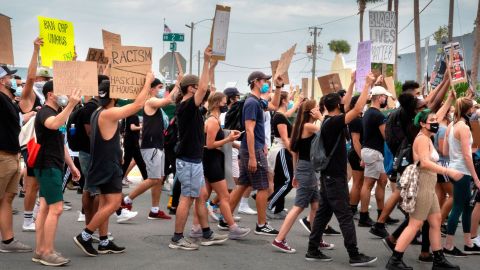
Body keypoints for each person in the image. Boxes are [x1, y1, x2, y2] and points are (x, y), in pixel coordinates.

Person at [73, 72, 154, 256]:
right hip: (107, 165)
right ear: (114, 95)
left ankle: (103, 241)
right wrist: (147, 81)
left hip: (101, 163)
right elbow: (138, 105)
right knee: (115, 202)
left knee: (104, 203)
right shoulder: (109, 113)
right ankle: (85, 236)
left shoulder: (97, 112)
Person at [305, 72, 377, 266]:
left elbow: (346, 105)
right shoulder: (334, 123)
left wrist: (353, 82)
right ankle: (354, 254)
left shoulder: (330, 121)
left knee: (323, 213)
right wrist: (367, 85)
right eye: (341, 101)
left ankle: (312, 249)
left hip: (329, 176)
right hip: (334, 177)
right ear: (337, 105)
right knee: (345, 215)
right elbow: (357, 108)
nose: (344, 102)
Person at [386, 109, 461, 270]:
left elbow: (439, 115)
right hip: (423, 184)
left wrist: (448, 92)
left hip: (429, 185)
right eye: (431, 120)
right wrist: (448, 171)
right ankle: (395, 260)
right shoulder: (422, 139)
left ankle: (438, 260)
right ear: (422, 124)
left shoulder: (427, 136)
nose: (435, 122)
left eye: (436, 120)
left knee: (435, 221)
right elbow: (425, 162)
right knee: (415, 224)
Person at [169, 47, 228, 251]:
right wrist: (204, 61)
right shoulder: (186, 106)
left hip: (193, 159)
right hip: (188, 160)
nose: (200, 91)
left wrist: (211, 67)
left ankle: (206, 233)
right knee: (188, 197)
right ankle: (177, 238)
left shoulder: (192, 107)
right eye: (196, 88)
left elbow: (209, 90)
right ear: (191, 89)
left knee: (201, 195)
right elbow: (204, 90)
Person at [228, 71, 283, 236]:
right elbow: (250, 131)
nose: (267, 83)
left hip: (254, 147)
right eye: (265, 80)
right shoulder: (252, 103)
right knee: (263, 186)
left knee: (243, 184)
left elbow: (274, 105)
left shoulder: (258, 101)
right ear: (256, 82)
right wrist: (253, 156)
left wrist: (279, 87)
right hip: (253, 149)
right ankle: (262, 224)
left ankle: (226, 217)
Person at [33, 82, 81, 266]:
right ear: (50, 94)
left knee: (45, 207)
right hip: (47, 165)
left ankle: (40, 250)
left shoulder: (55, 112)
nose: (66, 95)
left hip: (53, 165)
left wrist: (72, 166)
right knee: (56, 208)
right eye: (61, 91)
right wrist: (70, 105)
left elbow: (61, 143)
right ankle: (47, 251)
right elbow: (53, 125)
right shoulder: (46, 112)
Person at [272, 100, 330, 253]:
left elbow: (295, 153)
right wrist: (322, 116)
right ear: (310, 112)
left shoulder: (299, 127)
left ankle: (317, 238)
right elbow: (328, 130)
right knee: (298, 207)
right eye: (316, 107)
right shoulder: (308, 126)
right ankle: (279, 239)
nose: (318, 109)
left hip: (305, 169)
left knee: (316, 206)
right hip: (308, 169)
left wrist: (296, 173)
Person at [194, 92, 251, 239]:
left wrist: (228, 134)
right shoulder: (212, 121)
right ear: (218, 102)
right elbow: (210, 144)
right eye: (225, 102)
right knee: (224, 196)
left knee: (203, 196)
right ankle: (233, 228)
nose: (227, 104)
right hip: (212, 159)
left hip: (211, 159)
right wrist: (228, 139)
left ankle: (196, 227)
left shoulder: (213, 119)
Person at [121, 77, 179, 220]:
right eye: (159, 87)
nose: (162, 90)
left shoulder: (154, 103)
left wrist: (177, 85)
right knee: (153, 179)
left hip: (157, 145)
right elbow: (166, 101)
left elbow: (169, 100)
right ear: (151, 88)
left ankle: (154, 210)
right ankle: (126, 201)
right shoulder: (151, 101)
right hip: (151, 146)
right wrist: (177, 84)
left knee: (158, 179)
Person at [0, 63, 35, 253]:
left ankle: (8, 241)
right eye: (8, 77)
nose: (11, 79)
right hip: (3, 156)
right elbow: (29, 81)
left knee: (7, 198)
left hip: (12, 156)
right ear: (2, 81)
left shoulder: (9, 100)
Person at [443, 97, 480, 256]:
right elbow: (466, 155)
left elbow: (445, 151)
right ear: (469, 110)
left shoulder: (451, 125)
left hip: (454, 167)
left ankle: (468, 243)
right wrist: (476, 177)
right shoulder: (463, 127)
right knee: (458, 207)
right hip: (462, 171)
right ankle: (449, 246)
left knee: (466, 207)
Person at [358, 86, 391, 227]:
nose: (386, 99)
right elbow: (386, 136)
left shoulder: (368, 113)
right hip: (373, 152)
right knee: (368, 184)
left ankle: (381, 214)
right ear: (379, 98)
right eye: (384, 96)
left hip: (370, 151)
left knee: (382, 181)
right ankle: (364, 216)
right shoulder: (378, 115)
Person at [266, 91, 299, 219]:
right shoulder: (279, 116)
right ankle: (270, 204)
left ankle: (278, 209)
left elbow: (289, 114)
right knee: (288, 181)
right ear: (284, 101)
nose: (290, 101)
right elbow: (285, 138)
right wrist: (293, 152)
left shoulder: (281, 115)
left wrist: (297, 102)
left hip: (282, 150)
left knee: (280, 181)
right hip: (281, 151)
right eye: (288, 99)